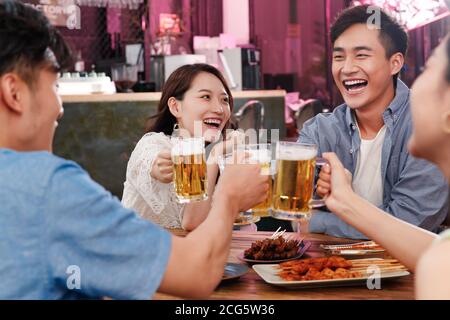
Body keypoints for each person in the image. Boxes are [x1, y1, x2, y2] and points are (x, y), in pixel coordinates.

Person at [0, 0, 268, 299]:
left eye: (224, 100)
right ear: (14, 93)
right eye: (54, 86)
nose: (59, 108)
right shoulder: (47, 188)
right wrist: (229, 197)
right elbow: (195, 271)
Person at [299, 5, 448, 239]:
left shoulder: (425, 128)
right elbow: (292, 211)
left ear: (395, 63)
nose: (347, 68)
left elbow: (409, 225)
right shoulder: (319, 131)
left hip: (410, 271)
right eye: (339, 57)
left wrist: (320, 221)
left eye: (361, 55)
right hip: (328, 269)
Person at [319, 34, 450, 299]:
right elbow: (432, 248)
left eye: (427, 69)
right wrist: (344, 202)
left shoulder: (439, 269)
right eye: (339, 56)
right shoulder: (440, 255)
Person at [122, 63, 247, 231]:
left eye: (224, 100)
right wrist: (159, 168)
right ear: (175, 107)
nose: (219, 109)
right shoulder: (153, 144)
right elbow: (193, 222)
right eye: (205, 97)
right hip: (144, 254)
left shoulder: (218, 150)